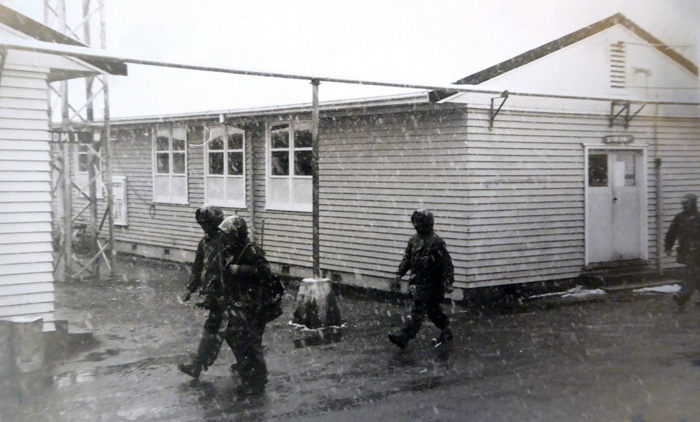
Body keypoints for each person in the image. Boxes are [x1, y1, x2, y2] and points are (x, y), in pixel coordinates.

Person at [218, 215, 273, 395]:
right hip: (238, 302)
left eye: (229, 234)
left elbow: (264, 272)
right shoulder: (233, 250)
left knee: (252, 341)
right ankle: (245, 369)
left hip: (254, 304)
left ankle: (257, 379)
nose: (227, 238)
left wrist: (240, 270)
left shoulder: (251, 250)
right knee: (234, 336)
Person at [388, 209, 455, 349]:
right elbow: (407, 259)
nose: (416, 226)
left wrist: (449, 281)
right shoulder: (414, 240)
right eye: (415, 223)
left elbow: (446, 264)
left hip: (432, 284)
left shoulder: (436, 242)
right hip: (418, 282)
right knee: (432, 311)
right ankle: (446, 330)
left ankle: (405, 337)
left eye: (419, 223)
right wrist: (399, 274)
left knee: (419, 310)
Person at [178, 206, 229, 379]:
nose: (203, 228)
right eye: (202, 225)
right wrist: (190, 289)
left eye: (206, 224)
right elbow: (198, 267)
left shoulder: (227, 241)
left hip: (229, 294)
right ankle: (198, 365)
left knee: (230, 332)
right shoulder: (205, 242)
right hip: (215, 295)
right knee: (214, 329)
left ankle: (249, 369)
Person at [665, 193, 700, 307]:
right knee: (696, 274)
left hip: (697, 252)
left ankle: (682, 296)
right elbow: (671, 233)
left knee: (691, 274)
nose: (684, 206)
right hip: (685, 251)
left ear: (693, 204)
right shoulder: (679, 218)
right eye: (683, 203)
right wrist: (668, 247)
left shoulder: (698, 218)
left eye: (687, 203)